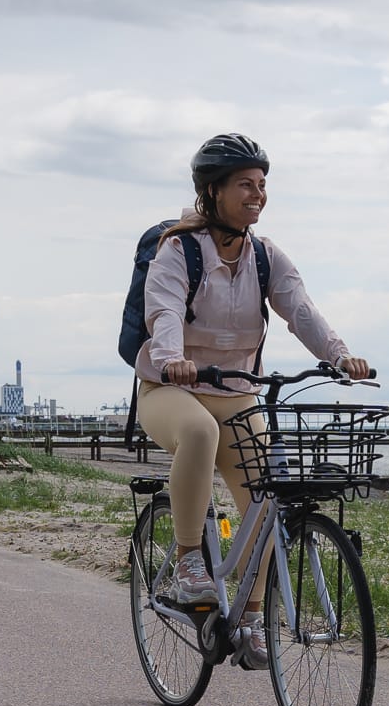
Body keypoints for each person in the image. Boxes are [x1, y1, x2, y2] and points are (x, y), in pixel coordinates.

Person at [135, 133, 371, 667]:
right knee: (198, 432)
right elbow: (165, 311)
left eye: (263, 185)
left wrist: (340, 356)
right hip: (171, 390)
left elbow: (300, 310)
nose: (257, 194)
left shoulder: (266, 257)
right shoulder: (178, 251)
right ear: (214, 191)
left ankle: (252, 616)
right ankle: (190, 560)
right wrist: (172, 356)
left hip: (237, 394)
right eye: (246, 184)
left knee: (269, 500)